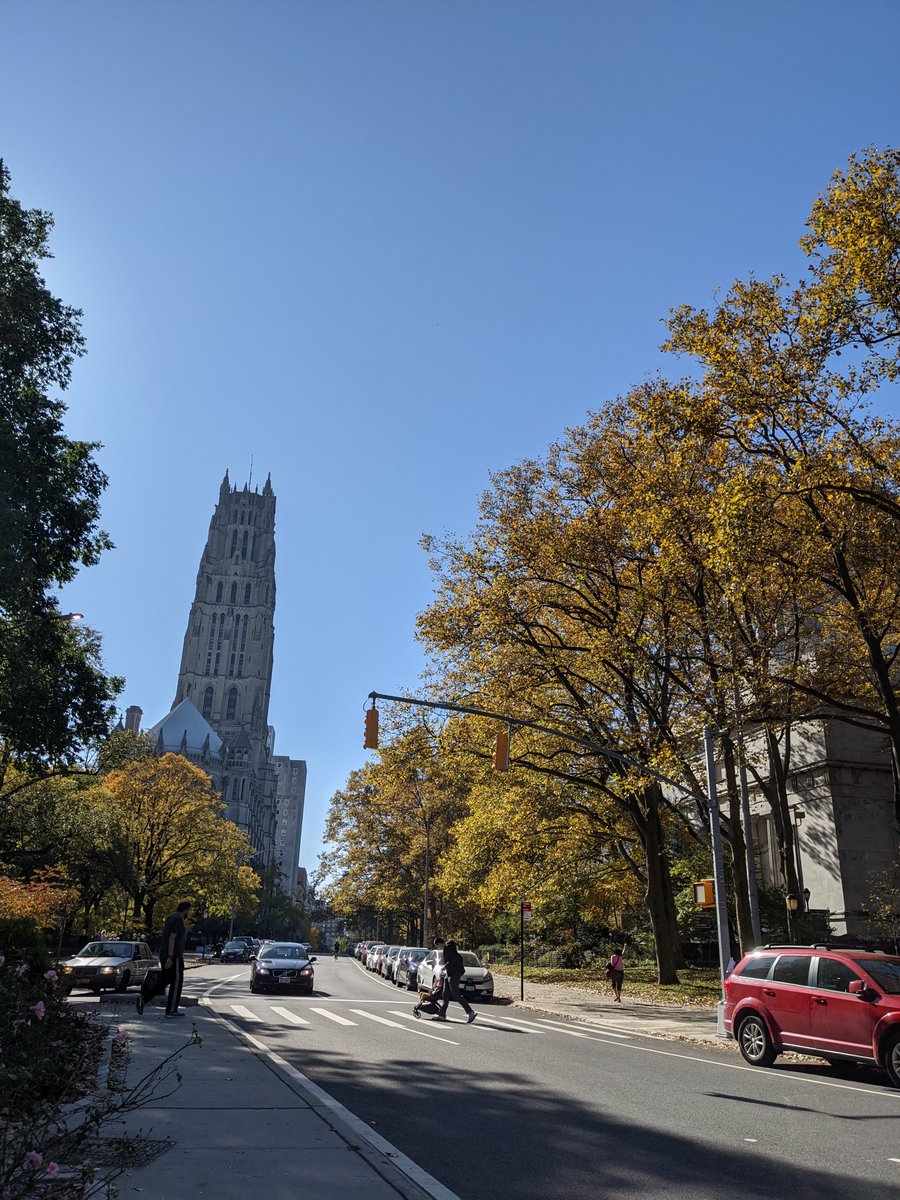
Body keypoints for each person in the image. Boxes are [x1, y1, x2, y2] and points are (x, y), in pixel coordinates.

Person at [140, 901, 191, 1018]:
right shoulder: (177, 920)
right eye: (189, 910)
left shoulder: (170, 919)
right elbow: (172, 938)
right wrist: (170, 957)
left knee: (165, 980)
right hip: (174, 957)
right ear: (186, 910)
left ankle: (144, 998)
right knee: (176, 982)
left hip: (165, 954)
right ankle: (171, 1010)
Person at [437, 939, 476, 1024]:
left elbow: (453, 959)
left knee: (455, 994)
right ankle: (442, 1014)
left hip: (454, 973)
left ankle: (470, 1012)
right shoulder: (448, 947)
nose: (439, 948)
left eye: (438, 946)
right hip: (450, 973)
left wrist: (445, 966)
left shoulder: (448, 947)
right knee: (445, 994)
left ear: (439, 943)